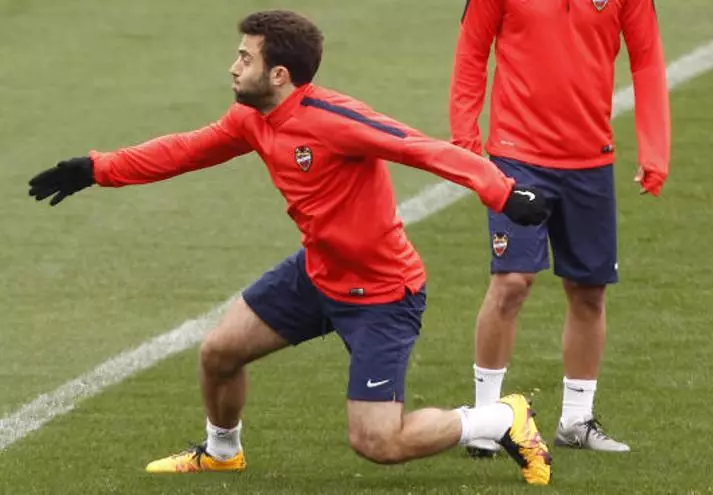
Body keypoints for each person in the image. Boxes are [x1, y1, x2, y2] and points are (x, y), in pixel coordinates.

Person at [27, 10, 553, 485]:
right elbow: (185, 150)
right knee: (219, 353)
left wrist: (503, 191)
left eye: (245, 58)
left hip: (380, 294)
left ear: (278, 75)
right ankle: (222, 452)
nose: (233, 67)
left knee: (378, 442)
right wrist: (96, 169)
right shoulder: (252, 119)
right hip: (316, 273)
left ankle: (500, 418)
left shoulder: (333, 119)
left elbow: (419, 147)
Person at [449, 0, 671, 456]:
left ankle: (575, 421)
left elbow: (646, 61)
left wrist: (655, 149)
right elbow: (471, 52)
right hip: (517, 156)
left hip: (591, 161)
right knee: (512, 282)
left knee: (589, 291)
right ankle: (487, 420)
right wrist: (466, 144)